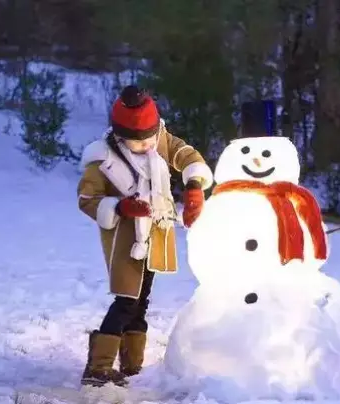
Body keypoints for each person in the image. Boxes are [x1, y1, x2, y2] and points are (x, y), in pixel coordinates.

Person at [77, 85, 213, 387]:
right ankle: (98, 367)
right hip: (124, 241)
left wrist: (194, 187)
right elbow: (87, 199)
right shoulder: (102, 160)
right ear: (119, 136)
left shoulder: (160, 140)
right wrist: (121, 206)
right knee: (126, 300)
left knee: (142, 300)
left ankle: (131, 365)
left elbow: (187, 155)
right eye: (137, 143)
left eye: (150, 139)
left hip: (156, 234)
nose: (147, 146)